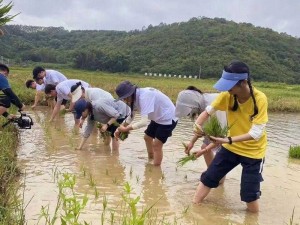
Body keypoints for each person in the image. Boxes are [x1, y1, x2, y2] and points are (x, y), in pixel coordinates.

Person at [192, 61, 268, 213]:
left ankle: (253, 219)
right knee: (209, 177)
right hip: (230, 148)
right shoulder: (227, 96)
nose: (227, 89)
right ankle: (194, 207)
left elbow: (255, 133)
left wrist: (228, 139)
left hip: (253, 152)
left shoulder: (259, 99)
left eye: (230, 86)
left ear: (243, 82)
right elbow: (207, 112)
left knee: (249, 194)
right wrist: (197, 125)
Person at [114, 81, 178, 166]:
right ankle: (151, 159)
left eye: (125, 98)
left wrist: (126, 129)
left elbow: (144, 122)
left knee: (157, 145)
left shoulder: (144, 97)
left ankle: (156, 169)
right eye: (123, 98)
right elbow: (131, 116)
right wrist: (120, 128)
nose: (125, 101)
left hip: (168, 118)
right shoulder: (134, 98)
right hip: (157, 118)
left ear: (131, 93)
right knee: (147, 137)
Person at [175, 86, 227, 169]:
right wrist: (192, 142)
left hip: (230, 132)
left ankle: (218, 179)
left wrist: (204, 151)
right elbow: (202, 128)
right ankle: (211, 172)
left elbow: (221, 137)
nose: (190, 114)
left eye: (189, 111)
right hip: (220, 132)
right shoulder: (202, 102)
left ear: (194, 105)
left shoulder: (212, 106)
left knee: (220, 154)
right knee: (205, 146)